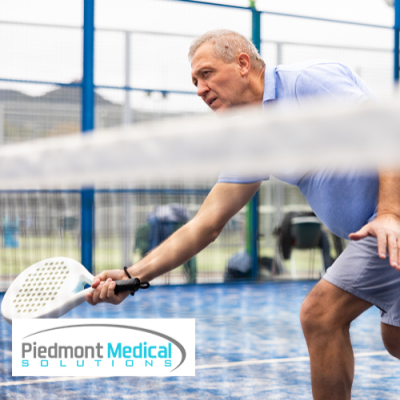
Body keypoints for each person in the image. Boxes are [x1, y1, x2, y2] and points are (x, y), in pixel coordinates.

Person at [86, 30, 400, 400]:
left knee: (320, 315)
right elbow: (206, 224)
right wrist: (132, 276)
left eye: (205, 74)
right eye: (193, 81)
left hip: (389, 225)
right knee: (395, 340)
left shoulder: (305, 83)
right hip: (378, 238)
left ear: (242, 63)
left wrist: (390, 213)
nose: (199, 88)